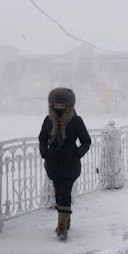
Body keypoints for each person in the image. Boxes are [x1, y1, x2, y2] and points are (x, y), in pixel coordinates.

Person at [38, 88, 91, 240]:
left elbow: (86, 141)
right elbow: (42, 138)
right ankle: (66, 221)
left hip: (70, 164)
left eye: (62, 105)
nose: (59, 108)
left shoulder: (76, 120)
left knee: (64, 193)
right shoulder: (48, 120)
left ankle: (61, 228)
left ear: (69, 105)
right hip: (53, 164)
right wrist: (44, 153)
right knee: (58, 194)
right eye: (56, 105)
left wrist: (76, 154)